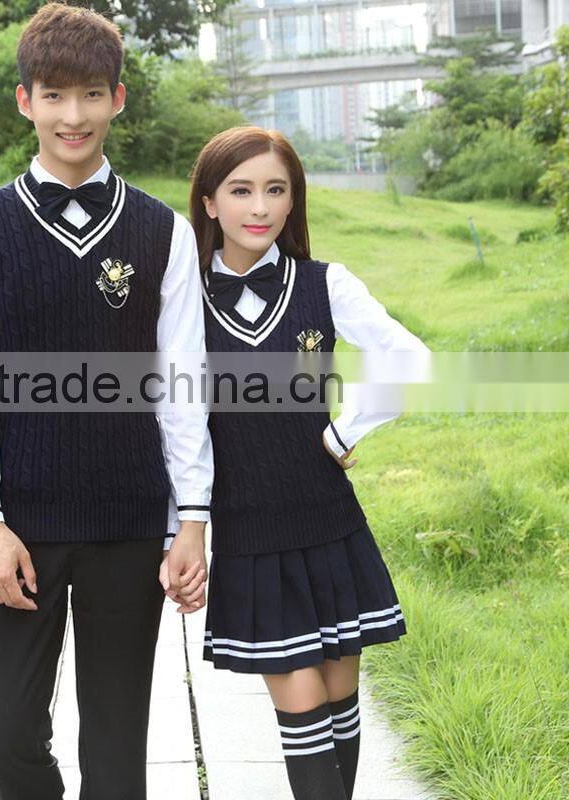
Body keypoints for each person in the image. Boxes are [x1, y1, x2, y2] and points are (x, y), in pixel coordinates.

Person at [0, 4, 212, 799]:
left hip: (128, 520)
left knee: (118, 748)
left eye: (91, 94)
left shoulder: (163, 232)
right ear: (25, 101)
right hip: (19, 523)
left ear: (117, 99)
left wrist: (192, 520)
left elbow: (183, 386)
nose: (74, 115)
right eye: (54, 95)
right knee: (3, 725)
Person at [181, 126, 430, 800]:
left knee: (339, 697)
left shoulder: (325, 283)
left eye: (276, 189)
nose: (260, 206)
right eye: (241, 190)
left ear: (294, 201)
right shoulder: (182, 300)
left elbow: (411, 357)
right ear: (209, 202)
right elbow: (178, 424)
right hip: (250, 529)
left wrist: (346, 431)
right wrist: (184, 526)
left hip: (328, 520)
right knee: (299, 696)